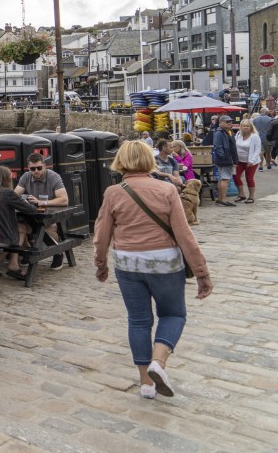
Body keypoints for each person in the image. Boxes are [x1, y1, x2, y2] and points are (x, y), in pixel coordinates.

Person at [93, 141, 212, 399]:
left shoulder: (113, 192)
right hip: (164, 262)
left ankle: (146, 382)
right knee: (173, 314)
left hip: (128, 262)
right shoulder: (167, 190)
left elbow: (101, 234)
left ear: (121, 162)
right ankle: (159, 362)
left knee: (138, 320)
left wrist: (101, 264)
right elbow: (184, 235)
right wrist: (201, 272)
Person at [14, 153, 69, 270]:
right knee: (19, 226)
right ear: (28, 168)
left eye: (39, 168)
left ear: (44, 166)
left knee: (48, 228)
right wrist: (24, 200)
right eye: (32, 169)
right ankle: (28, 251)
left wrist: (42, 202)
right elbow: (15, 196)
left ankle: (57, 253)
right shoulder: (26, 177)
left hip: (50, 214)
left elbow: (64, 200)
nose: (36, 171)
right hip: (31, 214)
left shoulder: (53, 176)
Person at [0, 165, 38, 281]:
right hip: (4, 236)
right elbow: (31, 210)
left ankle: (12, 264)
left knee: (21, 228)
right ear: (8, 178)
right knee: (16, 235)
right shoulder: (8, 193)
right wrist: (34, 202)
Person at [212, 115, 238, 207]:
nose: (230, 123)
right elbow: (218, 146)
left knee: (223, 178)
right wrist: (224, 157)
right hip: (224, 159)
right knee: (225, 179)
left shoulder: (227, 132)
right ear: (221, 123)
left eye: (230, 121)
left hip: (226, 158)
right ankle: (223, 199)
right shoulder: (219, 132)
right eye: (227, 122)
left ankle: (220, 199)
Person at [233, 119, 261, 203]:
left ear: (251, 127)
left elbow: (257, 149)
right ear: (241, 127)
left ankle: (251, 196)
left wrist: (252, 161)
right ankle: (241, 194)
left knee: (249, 178)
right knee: (235, 176)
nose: (245, 128)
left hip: (251, 161)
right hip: (239, 160)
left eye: (247, 126)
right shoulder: (238, 134)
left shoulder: (255, 136)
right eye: (244, 126)